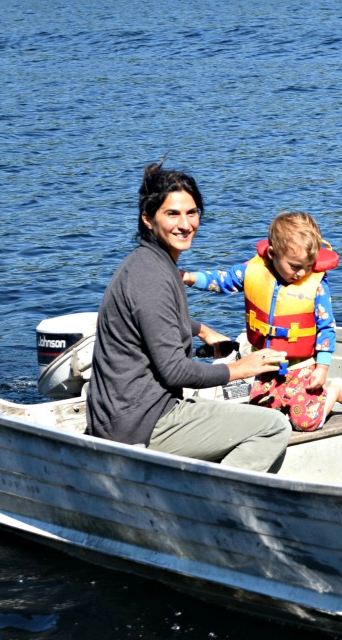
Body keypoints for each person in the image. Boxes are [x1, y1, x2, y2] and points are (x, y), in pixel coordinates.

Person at [85, 162, 291, 472]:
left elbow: (154, 320)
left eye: (192, 212)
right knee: (273, 426)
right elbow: (176, 373)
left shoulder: (151, 263)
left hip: (132, 412)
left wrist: (202, 330)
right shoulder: (151, 276)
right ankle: (214, 506)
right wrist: (240, 368)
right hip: (139, 423)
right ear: (147, 218)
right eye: (172, 214)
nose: (185, 224)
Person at [182, 211, 342, 432]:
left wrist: (323, 366)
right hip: (265, 363)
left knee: (305, 423)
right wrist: (189, 278)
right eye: (294, 266)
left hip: (301, 367)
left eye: (307, 266)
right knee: (262, 421)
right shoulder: (253, 271)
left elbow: (327, 328)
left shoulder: (316, 285)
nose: (301, 273)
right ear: (272, 253)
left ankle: (335, 391)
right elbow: (221, 280)